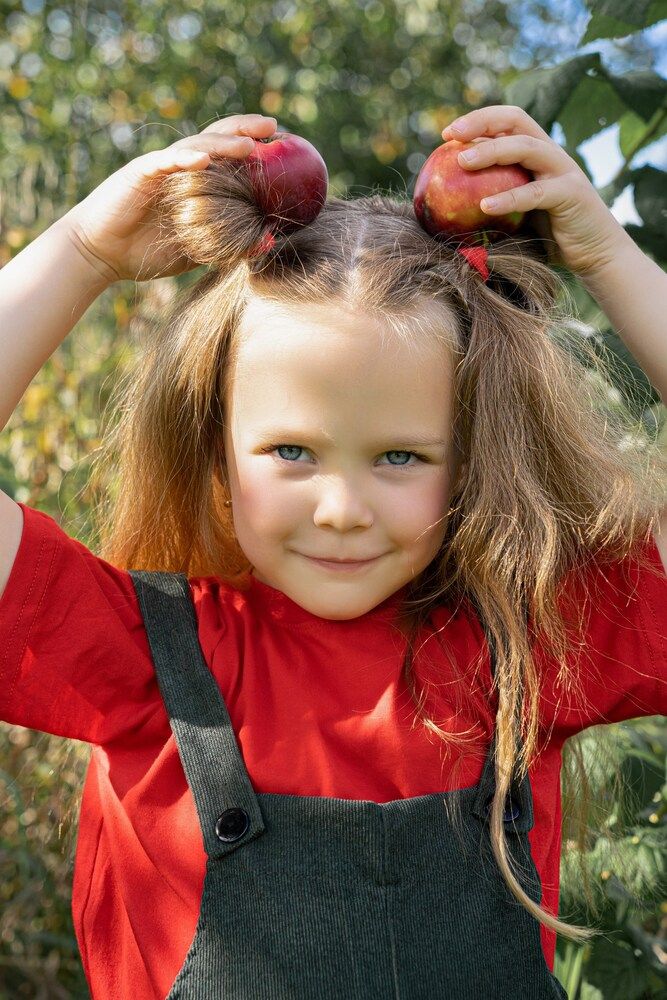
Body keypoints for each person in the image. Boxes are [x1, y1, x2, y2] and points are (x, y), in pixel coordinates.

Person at [0, 106, 665, 1000]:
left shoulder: (534, 644)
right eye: (291, 452)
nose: (343, 510)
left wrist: (610, 259)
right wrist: (83, 250)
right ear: (215, 453)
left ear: (474, 461)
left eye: (400, 456)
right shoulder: (139, 656)